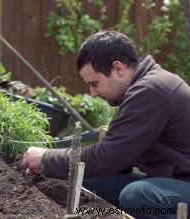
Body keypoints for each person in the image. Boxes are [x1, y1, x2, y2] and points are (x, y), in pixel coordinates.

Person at [22, 31, 190, 219]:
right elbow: (117, 157)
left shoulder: (151, 90)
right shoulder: (143, 87)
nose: (93, 93)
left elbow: (105, 158)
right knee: (87, 181)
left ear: (118, 69)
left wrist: (46, 159)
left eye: (95, 84)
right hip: (176, 181)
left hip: (184, 185)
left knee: (137, 195)